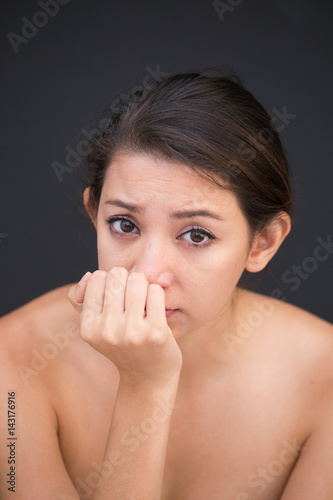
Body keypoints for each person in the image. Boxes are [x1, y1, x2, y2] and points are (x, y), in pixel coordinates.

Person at [1, 70, 332, 500]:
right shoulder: (13, 361)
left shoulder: (325, 379)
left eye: (196, 234)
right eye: (124, 224)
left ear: (262, 242)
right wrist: (145, 388)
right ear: (93, 212)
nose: (146, 274)